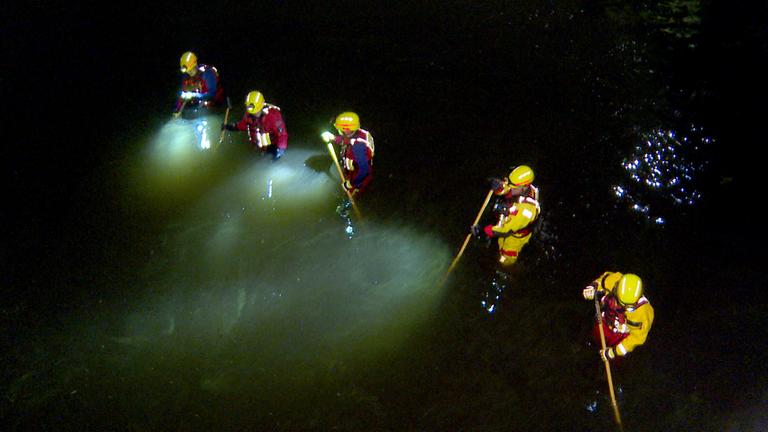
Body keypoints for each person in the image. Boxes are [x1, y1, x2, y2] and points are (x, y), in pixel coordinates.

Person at [472, 165, 540, 266]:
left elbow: (505, 231)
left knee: (505, 256)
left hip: (514, 236)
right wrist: (499, 187)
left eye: (513, 187)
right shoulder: (523, 188)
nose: (510, 188)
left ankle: (505, 267)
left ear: (525, 186)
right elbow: (509, 189)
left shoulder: (526, 211)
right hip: (511, 220)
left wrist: (482, 231)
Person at [582, 272, 655, 361]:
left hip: (620, 336)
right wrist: (593, 287)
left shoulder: (642, 314)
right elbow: (602, 281)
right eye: (621, 302)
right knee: (596, 336)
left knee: (615, 360)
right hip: (605, 321)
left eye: (627, 306)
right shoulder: (615, 281)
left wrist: (614, 352)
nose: (622, 306)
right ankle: (592, 345)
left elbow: (636, 338)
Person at [223, 91, 288, 160]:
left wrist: (280, 151)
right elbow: (244, 124)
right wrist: (229, 127)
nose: (253, 115)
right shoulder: (250, 114)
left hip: (273, 146)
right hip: (260, 146)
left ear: (261, 107)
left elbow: (282, 135)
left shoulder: (273, 117)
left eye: (256, 113)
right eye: (252, 113)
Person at [321, 112, 374, 194]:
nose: (340, 130)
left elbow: (364, 170)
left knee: (356, 193)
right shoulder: (358, 134)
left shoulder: (358, 146)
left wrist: (351, 184)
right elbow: (346, 140)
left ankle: (358, 198)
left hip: (360, 180)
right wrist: (333, 138)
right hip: (356, 172)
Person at [173, 51, 224, 118]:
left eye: (191, 69)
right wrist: (177, 109)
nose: (189, 72)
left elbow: (212, 94)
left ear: (195, 65)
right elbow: (182, 94)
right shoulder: (187, 75)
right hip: (199, 101)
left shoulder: (208, 73)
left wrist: (194, 95)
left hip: (214, 102)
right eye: (187, 71)